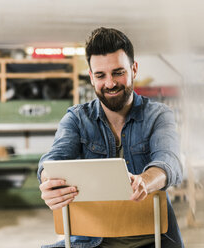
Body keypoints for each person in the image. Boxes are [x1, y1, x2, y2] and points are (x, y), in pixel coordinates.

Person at [37, 27, 184, 248]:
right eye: (100, 75)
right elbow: (54, 160)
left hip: (153, 240)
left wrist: (145, 180)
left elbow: (169, 162)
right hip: (91, 241)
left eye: (118, 72)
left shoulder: (158, 115)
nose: (110, 83)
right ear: (91, 76)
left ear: (134, 69)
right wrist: (49, 181)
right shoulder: (76, 119)